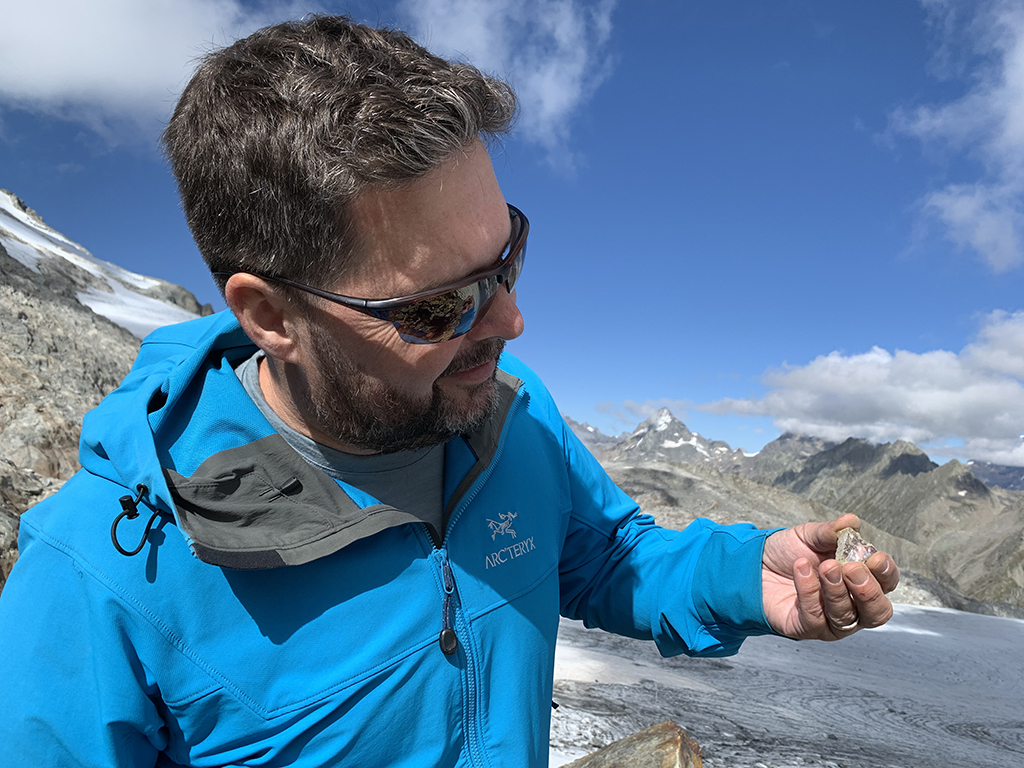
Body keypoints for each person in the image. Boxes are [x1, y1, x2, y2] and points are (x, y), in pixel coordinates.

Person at [0, 15, 899, 767]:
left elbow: (603, 555)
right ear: (270, 315)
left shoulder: (509, 410)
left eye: (507, 256)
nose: (509, 324)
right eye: (438, 304)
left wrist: (748, 577)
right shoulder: (95, 582)